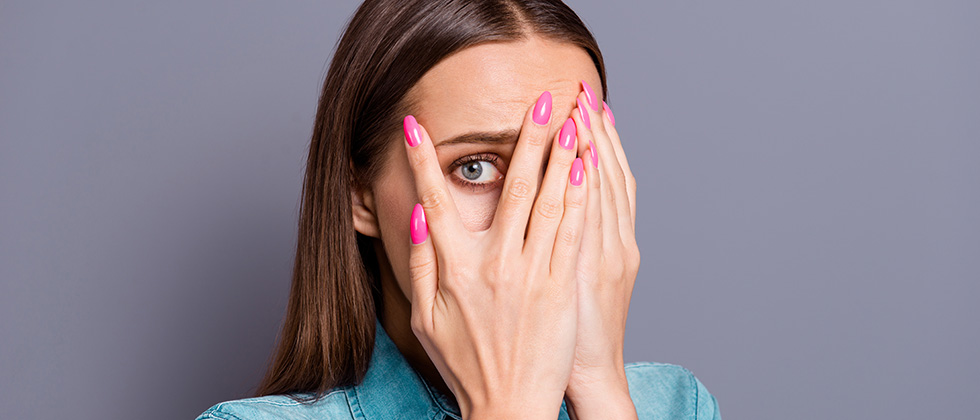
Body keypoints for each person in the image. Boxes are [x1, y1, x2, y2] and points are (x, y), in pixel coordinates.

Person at [197, 1, 720, 419]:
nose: (542, 215)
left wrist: (600, 390)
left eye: (570, 163)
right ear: (361, 194)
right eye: (475, 167)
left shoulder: (675, 406)